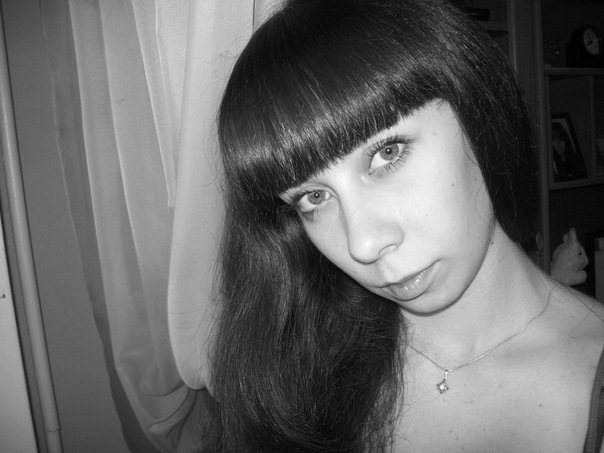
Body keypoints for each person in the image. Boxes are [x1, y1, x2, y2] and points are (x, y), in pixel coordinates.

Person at [204, 0, 604, 451]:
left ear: (477, 112)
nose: (364, 244)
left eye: (387, 153)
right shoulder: (296, 369)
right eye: (313, 197)